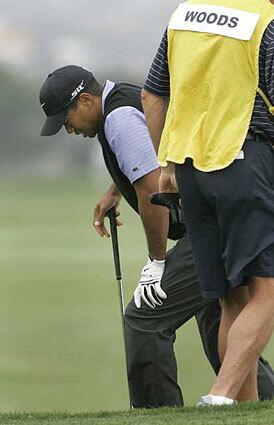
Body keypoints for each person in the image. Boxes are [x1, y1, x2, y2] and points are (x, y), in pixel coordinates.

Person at [39, 65, 274, 407]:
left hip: (215, 224)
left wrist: (156, 261)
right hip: (223, 212)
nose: (69, 129)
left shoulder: (118, 118)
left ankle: (158, 414)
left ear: (87, 100)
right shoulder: (125, 100)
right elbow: (149, 157)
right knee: (216, 316)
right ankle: (263, 404)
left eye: (66, 119)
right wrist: (115, 190)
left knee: (144, 321)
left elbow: (152, 192)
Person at [141, 0, 274, 406]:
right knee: (268, 290)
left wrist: (165, 163)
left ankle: (242, 409)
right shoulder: (265, 20)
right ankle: (219, 396)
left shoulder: (183, 15)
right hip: (244, 160)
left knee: (230, 297)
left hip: (189, 168)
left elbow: (152, 95)